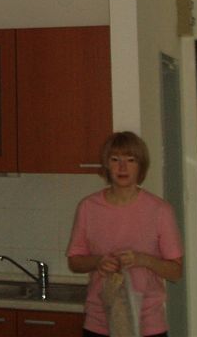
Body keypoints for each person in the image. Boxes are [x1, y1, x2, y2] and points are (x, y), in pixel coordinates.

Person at [67, 131, 183, 337]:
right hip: (99, 322)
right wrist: (98, 262)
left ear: (141, 167)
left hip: (148, 324)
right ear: (106, 165)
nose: (122, 167)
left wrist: (142, 260)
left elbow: (175, 272)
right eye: (115, 160)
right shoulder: (88, 207)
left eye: (131, 160)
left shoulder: (160, 210)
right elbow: (75, 262)